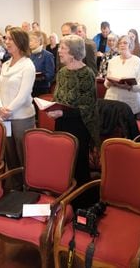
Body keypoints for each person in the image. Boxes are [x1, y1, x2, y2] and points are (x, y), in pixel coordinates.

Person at [47, 34, 100, 204]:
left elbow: (88, 106)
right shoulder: (62, 73)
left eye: (63, 48)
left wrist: (63, 113)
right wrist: (51, 108)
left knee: (78, 166)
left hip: (79, 126)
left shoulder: (87, 74)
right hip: (61, 124)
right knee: (62, 163)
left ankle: (80, 203)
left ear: (73, 52)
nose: (59, 52)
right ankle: (64, 200)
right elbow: (57, 97)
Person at [0, 27, 36, 190]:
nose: (7, 42)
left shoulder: (27, 65)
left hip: (21, 117)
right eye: (6, 39)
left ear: (20, 42)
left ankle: (30, 189)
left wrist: (7, 110)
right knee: (10, 156)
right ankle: (15, 189)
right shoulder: (5, 64)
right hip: (6, 117)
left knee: (23, 156)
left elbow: (24, 94)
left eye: (10, 39)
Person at [104, 35, 140, 116]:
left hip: (129, 104)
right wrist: (109, 83)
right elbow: (106, 83)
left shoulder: (137, 61)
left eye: (125, 43)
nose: (122, 45)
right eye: (120, 43)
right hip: (112, 101)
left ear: (130, 45)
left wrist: (129, 87)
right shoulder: (112, 61)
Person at [29, 31, 55, 97]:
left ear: (39, 41)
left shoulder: (47, 55)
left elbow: (50, 74)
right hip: (30, 87)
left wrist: (40, 77)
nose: (29, 43)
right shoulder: (29, 55)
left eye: (31, 41)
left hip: (42, 89)